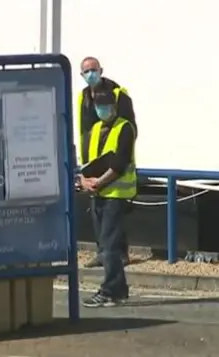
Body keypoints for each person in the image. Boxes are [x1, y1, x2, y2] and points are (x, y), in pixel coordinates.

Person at [78, 89, 137, 307]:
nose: (103, 110)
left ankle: (110, 290)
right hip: (98, 195)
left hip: (116, 195)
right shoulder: (94, 129)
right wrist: (84, 181)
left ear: (114, 106)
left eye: (107, 106)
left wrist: (98, 182)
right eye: (99, 106)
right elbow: (87, 163)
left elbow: (119, 164)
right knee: (105, 246)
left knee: (110, 246)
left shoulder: (125, 128)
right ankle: (118, 289)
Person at [78, 56, 136, 268]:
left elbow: (126, 131)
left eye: (94, 69)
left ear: (100, 70)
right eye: (86, 71)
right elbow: (86, 132)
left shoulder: (118, 94)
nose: (91, 74)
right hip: (94, 167)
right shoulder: (83, 97)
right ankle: (104, 255)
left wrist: (103, 176)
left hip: (114, 169)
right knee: (100, 220)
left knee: (112, 224)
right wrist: (85, 174)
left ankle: (114, 266)